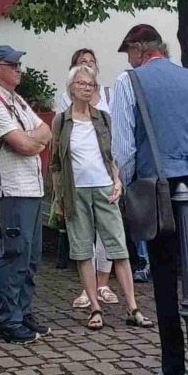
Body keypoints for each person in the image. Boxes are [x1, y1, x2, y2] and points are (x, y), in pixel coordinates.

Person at [110, 24, 188, 375]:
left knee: (164, 279)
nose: (129, 60)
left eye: (129, 52)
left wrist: (132, 186)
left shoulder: (129, 82)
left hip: (156, 185)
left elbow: (123, 148)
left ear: (140, 49)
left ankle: (173, 373)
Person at [51, 64, 147, 329]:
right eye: (81, 84)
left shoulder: (103, 118)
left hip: (105, 188)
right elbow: (55, 164)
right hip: (75, 192)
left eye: (90, 84)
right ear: (71, 89)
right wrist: (59, 198)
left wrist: (117, 181)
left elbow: (112, 154)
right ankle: (94, 307)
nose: (86, 88)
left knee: (118, 247)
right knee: (83, 250)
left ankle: (132, 307)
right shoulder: (61, 121)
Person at [0, 44, 53, 345]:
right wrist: (32, 140)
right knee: (15, 254)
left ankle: (23, 312)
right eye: (14, 65)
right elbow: (25, 144)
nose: (19, 69)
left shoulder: (15, 99)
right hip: (12, 188)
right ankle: (8, 320)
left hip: (31, 187)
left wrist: (32, 139)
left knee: (31, 256)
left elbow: (45, 131)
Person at [56, 50, 116, 307]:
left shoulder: (108, 96)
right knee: (84, 236)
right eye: (83, 63)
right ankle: (88, 288)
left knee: (107, 236)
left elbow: (114, 138)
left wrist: (117, 175)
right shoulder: (65, 100)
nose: (88, 66)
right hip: (78, 177)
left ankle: (104, 283)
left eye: (92, 63)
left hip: (104, 175)